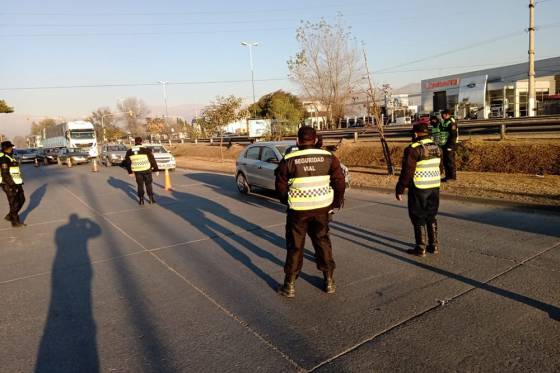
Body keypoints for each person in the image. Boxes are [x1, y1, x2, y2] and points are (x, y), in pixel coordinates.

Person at [275, 126, 346, 298]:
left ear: (298, 141)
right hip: (322, 209)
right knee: (323, 242)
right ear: (315, 140)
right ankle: (329, 282)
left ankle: (289, 286)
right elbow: (339, 182)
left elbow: (280, 186)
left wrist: (288, 200)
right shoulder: (329, 157)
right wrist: (335, 203)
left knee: (295, 247)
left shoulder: (288, 159)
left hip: (298, 212)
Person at [396, 119, 442, 257]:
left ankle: (420, 247)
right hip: (434, 186)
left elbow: (407, 172)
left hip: (419, 187)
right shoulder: (437, 147)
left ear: (416, 134)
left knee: (418, 216)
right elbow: (440, 167)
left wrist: (400, 188)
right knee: (431, 215)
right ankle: (433, 246)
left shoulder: (413, 148)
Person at [123, 137, 159, 205]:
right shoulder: (146, 150)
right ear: (141, 141)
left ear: (135, 142)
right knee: (148, 184)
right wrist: (156, 169)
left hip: (137, 171)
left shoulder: (129, 151)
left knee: (140, 185)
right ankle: (151, 199)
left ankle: (141, 200)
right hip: (146, 169)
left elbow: (127, 162)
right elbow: (152, 160)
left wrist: (130, 172)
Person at [0, 141, 26, 227]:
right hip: (8, 184)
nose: (12, 148)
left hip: (16, 182)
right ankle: (15, 222)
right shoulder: (4, 158)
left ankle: (10, 215)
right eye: (10, 147)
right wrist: (12, 185)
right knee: (14, 203)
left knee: (21, 199)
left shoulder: (9, 156)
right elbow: (5, 174)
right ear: (6, 148)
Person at [437, 110, 458, 181]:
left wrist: (450, 146)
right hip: (444, 144)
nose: (442, 116)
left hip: (450, 145)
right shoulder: (444, 121)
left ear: (447, 114)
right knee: (446, 161)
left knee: (450, 161)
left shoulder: (452, 122)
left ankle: (452, 177)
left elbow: (453, 136)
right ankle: (447, 176)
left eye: (443, 114)